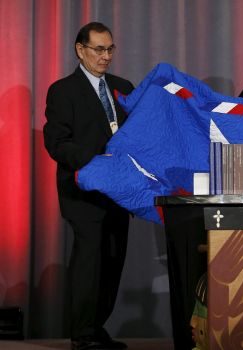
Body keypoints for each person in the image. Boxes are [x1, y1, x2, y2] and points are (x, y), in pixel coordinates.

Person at [44, 22, 134, 350]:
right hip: (84, 193)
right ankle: (82, 333)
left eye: (110, 49)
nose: (106, 56)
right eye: (99, 49)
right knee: (89, 259)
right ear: (80, 50)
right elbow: (57, 143)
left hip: (120, 193)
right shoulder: (63, 90)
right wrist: (99, 160)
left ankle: (97, 327)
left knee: (113, 259)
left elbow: (137, 136)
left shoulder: (124, 87)